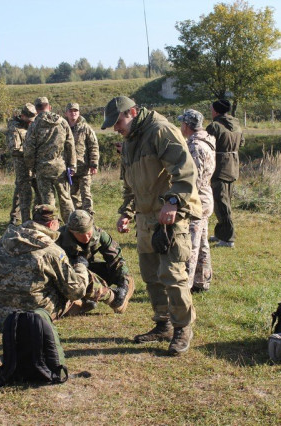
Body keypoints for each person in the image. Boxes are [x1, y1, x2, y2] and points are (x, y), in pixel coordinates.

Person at [101, 96, 202, 356]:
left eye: (118, 122)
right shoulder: (130, 141)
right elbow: (130, 184)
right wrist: (127, 212)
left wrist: (173, 201)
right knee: (151, 275)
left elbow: (185, 170)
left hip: (169, 216)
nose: (115, 128)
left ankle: (182, 327)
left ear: (133, 113)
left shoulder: (160, 131)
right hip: (145, 217)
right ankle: (163, 323)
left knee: (172, 273)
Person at [0, 204, 115, 324]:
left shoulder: (4, 240)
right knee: (78, 277)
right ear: (52, 224)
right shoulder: (52, 251)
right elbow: (76, 291)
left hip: (5, 314)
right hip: (38, 315)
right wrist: (80, 266)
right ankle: (112, 298)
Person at [56, 209, 134, 314]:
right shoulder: (59, 239)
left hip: (89, 271)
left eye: (88, 232)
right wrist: (74, 263)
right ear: (71, 231)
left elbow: (116, 259)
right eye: (82, 234)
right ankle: (79, 303)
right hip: (70, 276)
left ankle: (125, 290)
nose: (87, 237)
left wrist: (123, 284)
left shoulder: (99, 233)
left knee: (120, 274)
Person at [178, 110, 216, 293]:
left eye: (182, 123)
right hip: (206, 196)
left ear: (187, 125)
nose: (180, 127)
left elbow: (194, 179)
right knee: (202, 242)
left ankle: (185, 285)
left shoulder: (195, 146)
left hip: (197, 200)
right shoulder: (207, 141)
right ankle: (202, 280)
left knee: (191, 245)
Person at [24, 97, 76, 222]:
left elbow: (29, 149)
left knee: (48, 201)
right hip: (60, 167)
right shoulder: (62, 122)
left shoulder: (34, 125)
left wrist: (30, 167)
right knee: (65, 198)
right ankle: (72, 225)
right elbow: (70, 145)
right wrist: (72, 165)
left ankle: (51, 226)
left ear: (36, 110)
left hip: (42, 168)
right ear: (49, 107)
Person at [206, 99, 244, 248]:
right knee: (224, 202)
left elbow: (206, 145)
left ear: (215, 111)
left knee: (221, 204)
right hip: (233, 167)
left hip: (219, 168)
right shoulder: (237, 125)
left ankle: (228, 239)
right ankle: (221, 233)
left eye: (211, 109)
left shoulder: (214, 126)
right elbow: (242, 143)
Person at [65, 102, 99, 215]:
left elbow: (93, 146)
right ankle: (78, 218)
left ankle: (89, 218)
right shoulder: (63, 128)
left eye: (75, 111)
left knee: (86, 194)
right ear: (66, 113)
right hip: (70, 169)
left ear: (79, 112)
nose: (73, 113)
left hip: (84, 168)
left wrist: (94, 164)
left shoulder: (85, 128)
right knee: (73, 196)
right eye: (70, 111)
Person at [7, 102, 39, 225]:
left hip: (34, 163)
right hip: (22, 164)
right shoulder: (15, 128)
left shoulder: (33, 125)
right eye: (29, 120)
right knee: (23, 191)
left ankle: (39, 216)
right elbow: (15, 149)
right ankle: (20, 218)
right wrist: (31, 153)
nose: (31, 122)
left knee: (38, 189)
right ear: (23, 116)